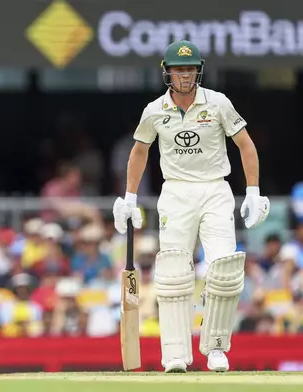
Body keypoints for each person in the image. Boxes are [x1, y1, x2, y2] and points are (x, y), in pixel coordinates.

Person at [112, 40, 270, 373]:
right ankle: (175, 353)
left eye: (190, 69)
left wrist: (253, 191)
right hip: (176, 193)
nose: (184, 75)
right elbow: (139, 152)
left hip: (215, 190)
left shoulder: (218, 103)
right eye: (178, 69)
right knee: (173, 273)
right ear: (167, 72)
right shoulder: (155, 110)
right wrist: (129, 197)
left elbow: (246, 145)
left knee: (224, 271)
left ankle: (215, 348)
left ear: (198, 71)